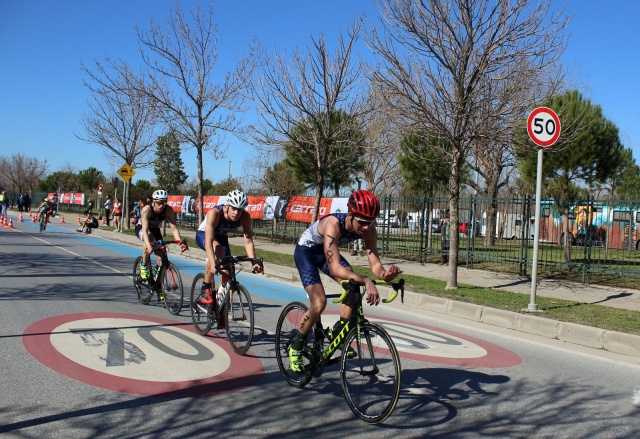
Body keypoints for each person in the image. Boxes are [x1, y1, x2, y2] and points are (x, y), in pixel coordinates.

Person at [288, 189, 403, 373]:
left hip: (328, 253)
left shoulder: (369, 229)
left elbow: (375, 264)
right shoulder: (333, 224)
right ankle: (296, 345)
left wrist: (384, 275)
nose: (366, 226)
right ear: (350, 214)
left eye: (370, 221)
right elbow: (335, 268)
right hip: (307, 253)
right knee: (319, 302)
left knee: (353, 285)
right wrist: (366, 280)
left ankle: (337, 333)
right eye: (362, 221)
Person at [195, 189, 263, 327]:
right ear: (227, 206)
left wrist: (253, 261)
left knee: (227, 274)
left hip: (221, 237)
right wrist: (213, 262)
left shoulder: (245, 217)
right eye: (234, 209)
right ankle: (205, 288)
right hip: (205, 235)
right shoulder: (214, 213)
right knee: (217, 254)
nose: (237, 213)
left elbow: (248, 240)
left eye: (240, 210)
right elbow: (209, 242)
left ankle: (220, 309)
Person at [135, 190, 187, 289]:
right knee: (150, 239)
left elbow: (174, 228)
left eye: (164, 202)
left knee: (162, 260)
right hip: (142, 228)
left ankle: (158, 284)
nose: (161, 205)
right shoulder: (147, 209)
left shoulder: (168, 210)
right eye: (159, 202)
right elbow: (145, 231)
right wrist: (149, 246)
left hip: (155, 230)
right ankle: (144, 265)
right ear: (153, 202)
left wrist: (180, 242)